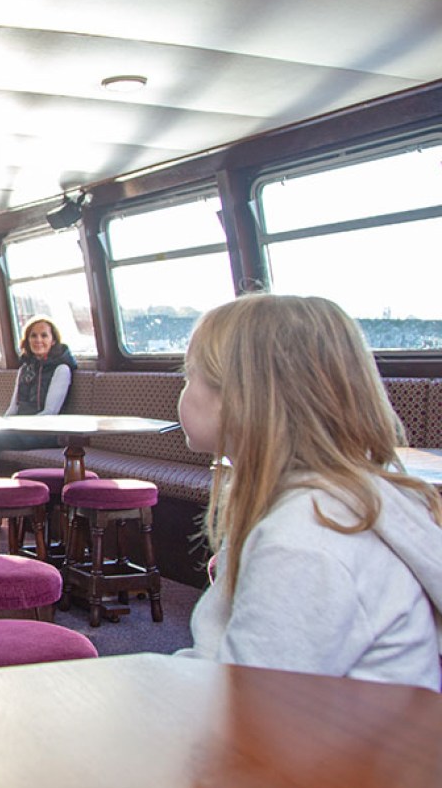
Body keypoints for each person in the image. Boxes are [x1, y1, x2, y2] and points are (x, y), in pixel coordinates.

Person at [174, 293, 442, 688]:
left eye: (189, 374)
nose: (183, 389)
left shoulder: (305, 540)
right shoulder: (337, 504)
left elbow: (250, 709)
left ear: (243, 398)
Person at [0, 314, 77, 476]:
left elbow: (50, 412)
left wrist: (17, 428)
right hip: (22, 430)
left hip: (48, 432)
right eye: (33, 335)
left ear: (53, 340)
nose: (38, 340)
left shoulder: (61, 369)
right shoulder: (25, 369)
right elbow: (14, 407)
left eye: (44, 335)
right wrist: (3, 425)